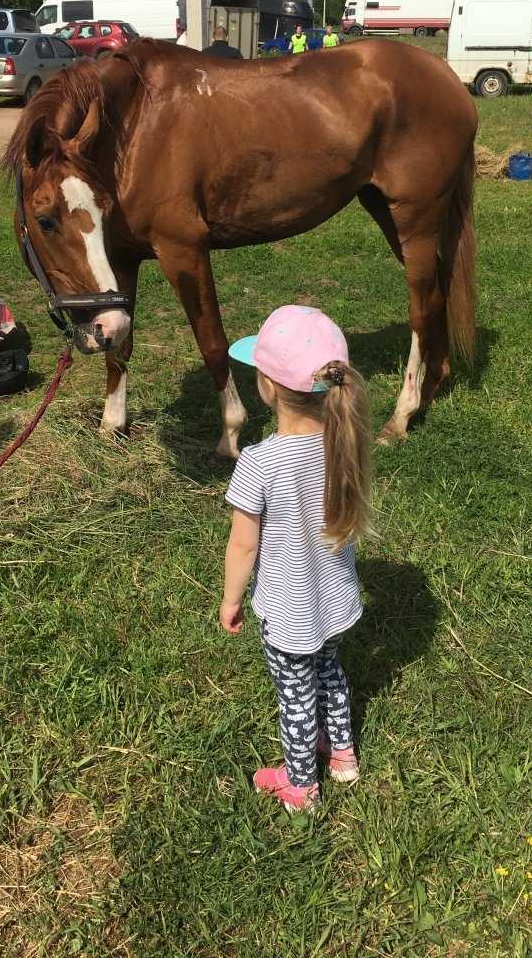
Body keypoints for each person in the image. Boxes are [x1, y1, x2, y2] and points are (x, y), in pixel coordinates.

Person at [220, 305, 372, 813]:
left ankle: (301, 784)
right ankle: (343, 755)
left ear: (266, 385)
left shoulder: (259, 462)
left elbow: (243, 545)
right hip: (335, 600)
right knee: (331, 671)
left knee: (296, 694)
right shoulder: (343, 443)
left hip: (290, 609)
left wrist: (231, 599)